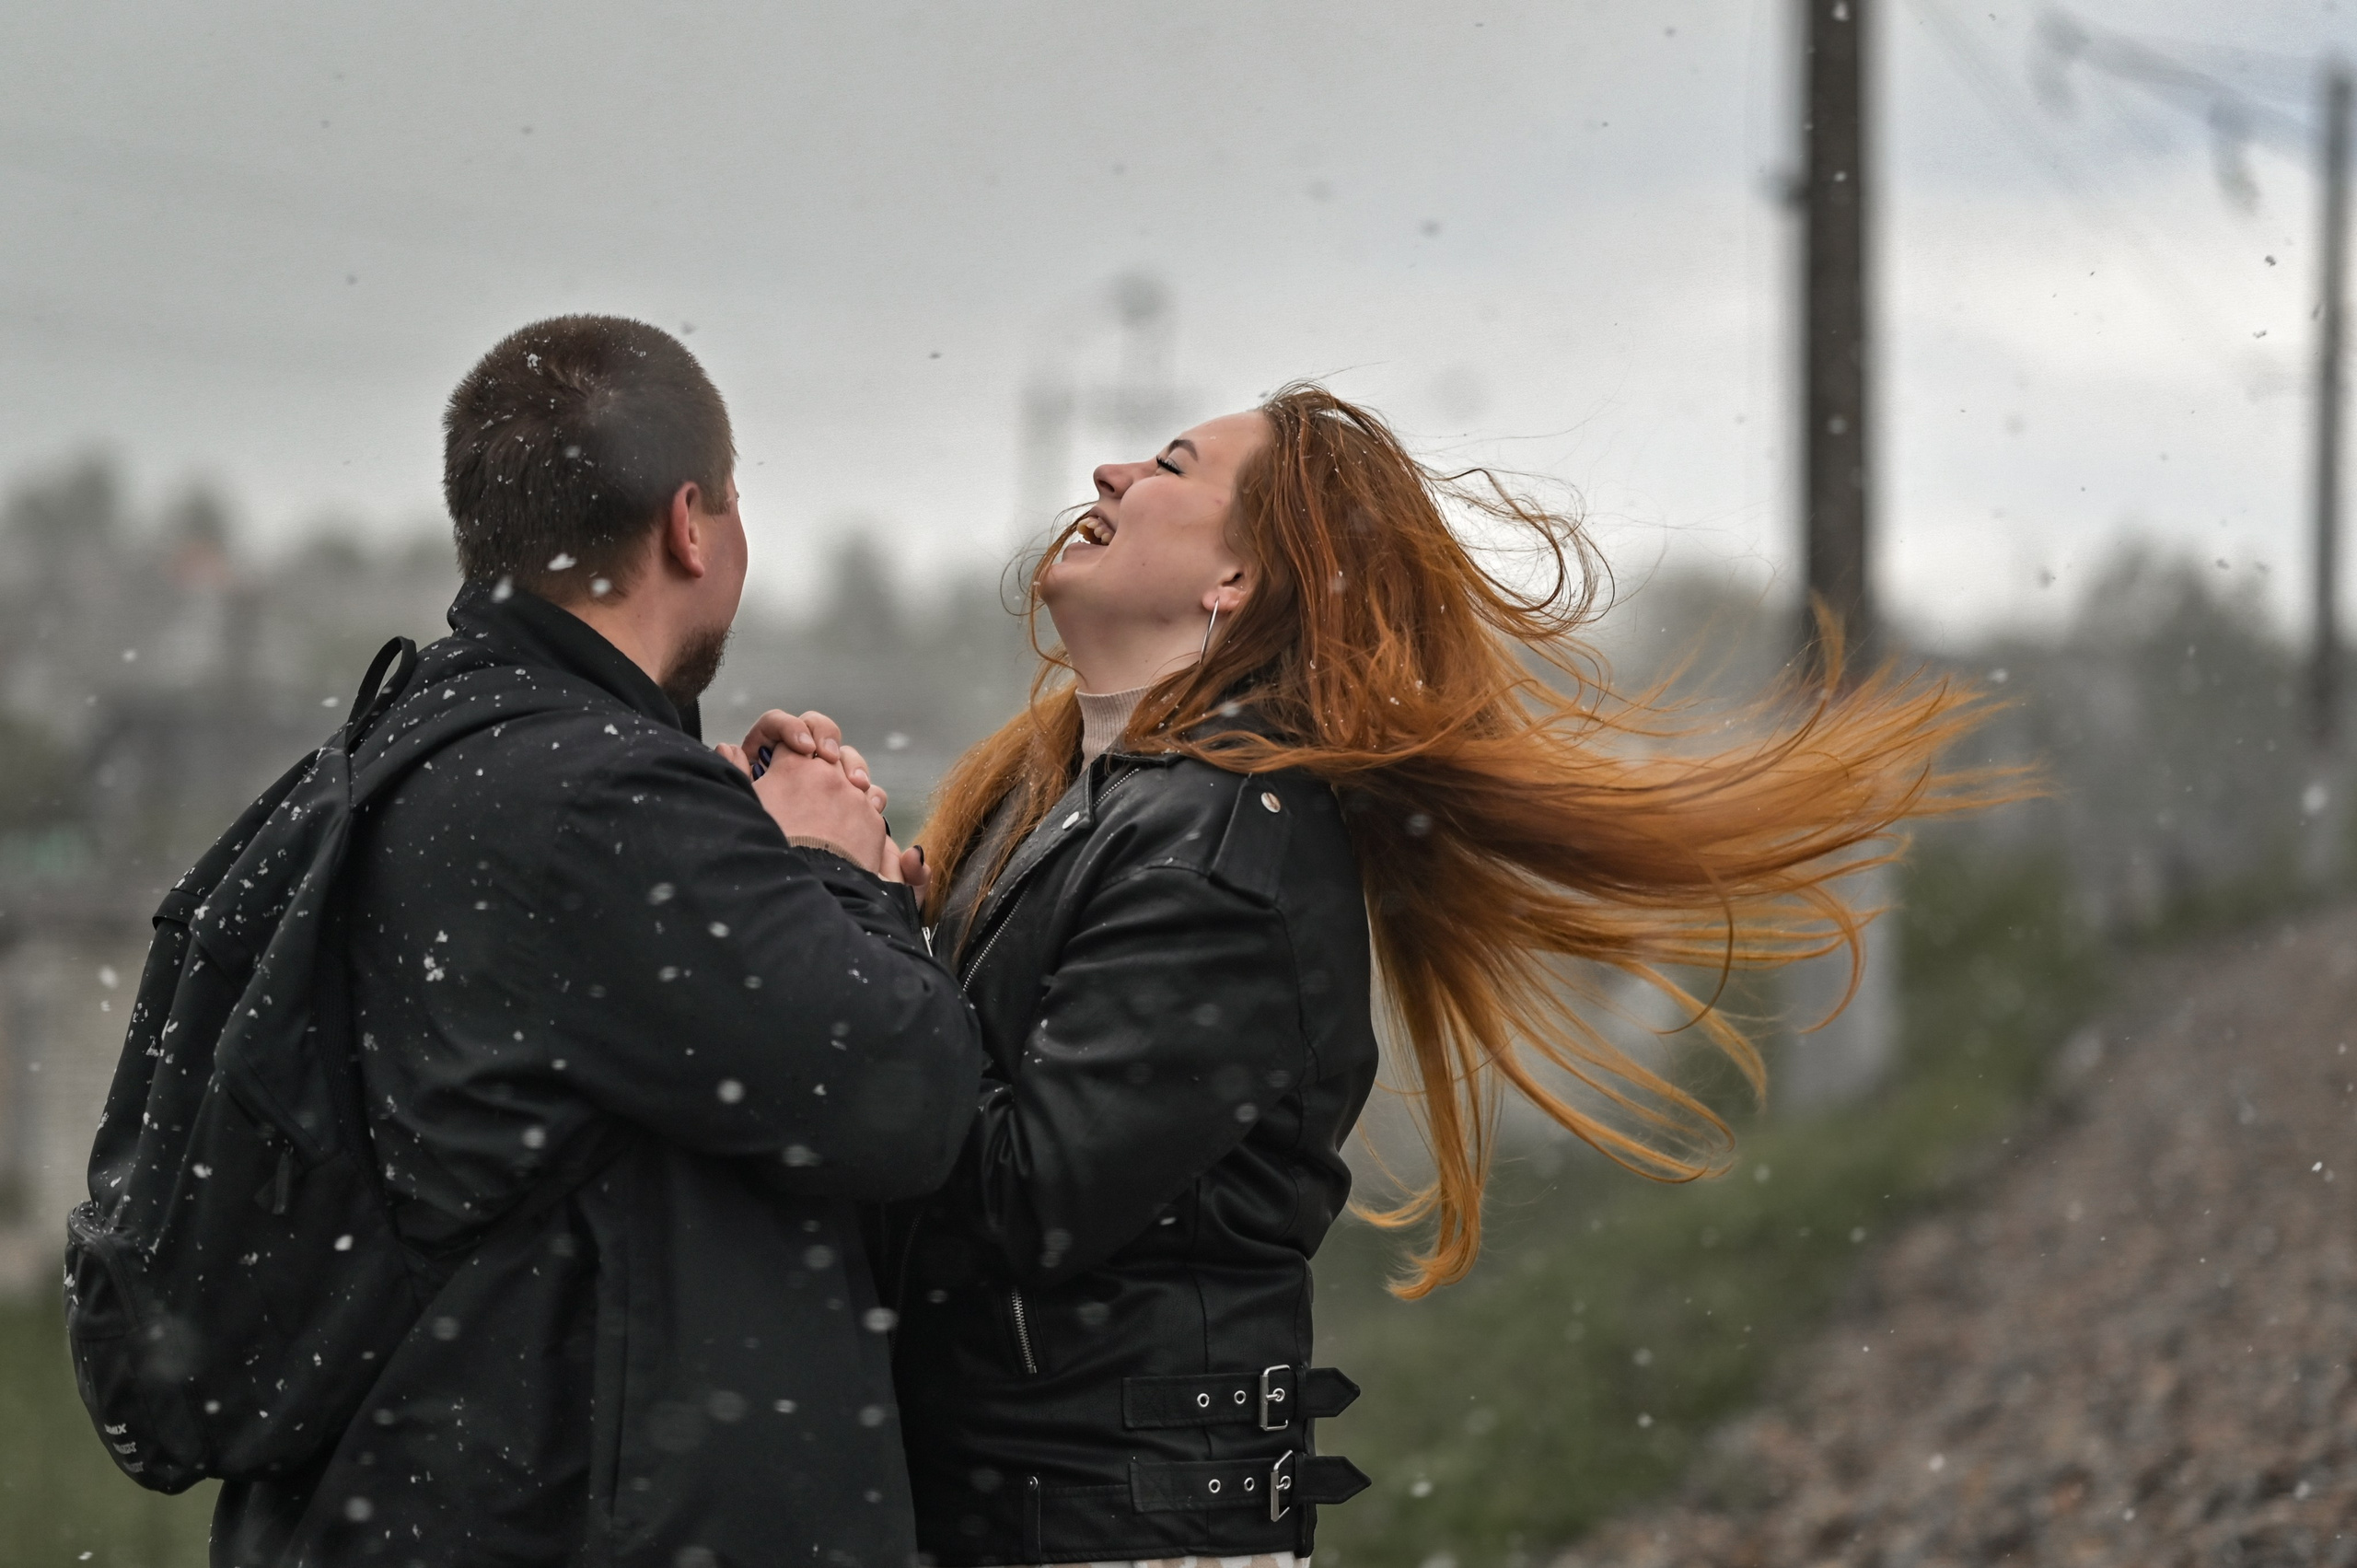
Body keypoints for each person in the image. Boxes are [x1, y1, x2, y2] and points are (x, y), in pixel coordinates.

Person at [855, 384, 1998, 1567]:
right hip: (1039, 1514)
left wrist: (863, 910)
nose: (1106, 474)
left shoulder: (1216, 847)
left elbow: (1022, 1197)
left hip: (1108, 1531)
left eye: (1169, 466)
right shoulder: (1077, 798)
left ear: (1235, 583)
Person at [213, 315, 983, 1567]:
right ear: (691, 523)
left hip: (387, 1502)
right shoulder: (596, 801)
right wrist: (831, 874)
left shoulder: (400, 751)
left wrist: (739, 866)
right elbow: (908, 1095)